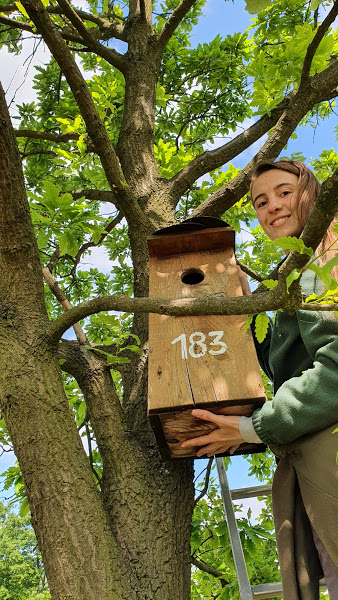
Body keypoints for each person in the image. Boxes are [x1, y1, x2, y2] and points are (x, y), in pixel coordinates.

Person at [181, 161, 338, 600]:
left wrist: (255, 426)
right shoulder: (298, 270)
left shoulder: (327, 259)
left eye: (285, 192)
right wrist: (247, 315)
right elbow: (287, 365)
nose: (272, 207)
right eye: (260, 202)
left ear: (313, 192)